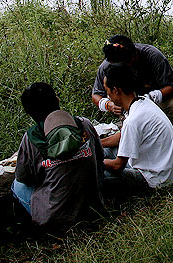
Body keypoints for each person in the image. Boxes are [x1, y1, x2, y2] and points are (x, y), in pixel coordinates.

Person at [12, 82, 106, 232]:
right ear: (57, 100)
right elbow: (100, 158)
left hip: (55, 221)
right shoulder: (84, 125)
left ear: (29, 112)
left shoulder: (32, 139)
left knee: (16, 185)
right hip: (93, 212)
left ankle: (31, 225)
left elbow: (25, 178)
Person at [101, 64, 173, 200]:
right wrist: (97, 143)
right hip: (168, 172)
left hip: (156, 181)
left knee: (99, 178)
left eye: (107, 90)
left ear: (115, 90)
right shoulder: (143, 103)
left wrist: (94, 161)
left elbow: (117, 166)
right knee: (105, 151)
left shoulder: (133, 120)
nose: (107, 95)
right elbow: (122, 136)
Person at [91, 34, 173, 124]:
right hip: (127, 105)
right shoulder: (107, 66)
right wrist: (108, 105)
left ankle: (165, 126)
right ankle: (127, 123)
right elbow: (96, 95)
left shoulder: (152, 56)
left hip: (155, 101)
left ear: (134, 54)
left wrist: (149, 98)